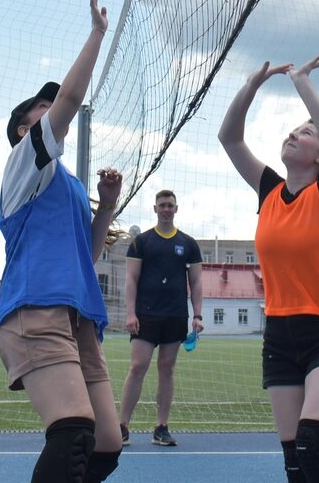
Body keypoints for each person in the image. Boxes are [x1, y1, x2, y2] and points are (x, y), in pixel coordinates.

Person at [0, 0, 123, 483]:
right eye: (40, 113)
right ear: (24, 134)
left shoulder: (65, 184)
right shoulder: (23, 164)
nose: (53, 115)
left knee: (106, 443)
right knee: (72, 430)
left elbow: (85, 258)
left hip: (77, 317)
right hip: (35, 309)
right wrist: (96, 33)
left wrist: (106, 208)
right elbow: (70, 100)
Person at [218, 53, 319, 483]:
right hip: (280, 334)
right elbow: (230, 138)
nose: (294, 135)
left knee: (313, 441)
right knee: (294, 461)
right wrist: (251, 86)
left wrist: (301, 82)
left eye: (305, 133)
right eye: (293, 130)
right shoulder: (270, 193)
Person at [119, 189, 204, 447]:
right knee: (137, 367)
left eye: (170, 205)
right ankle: (121, 427)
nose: (166, 209)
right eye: (162, 205)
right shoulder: (141, 242)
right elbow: (131, 280)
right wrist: (130, 313)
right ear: (155, 209)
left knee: (167, 369)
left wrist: (197, 315)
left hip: (175, 315)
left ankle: (161, 428)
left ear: (176, 209)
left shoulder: (189, 244)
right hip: (145, 316)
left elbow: (197, 281)